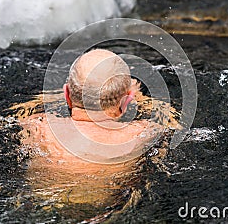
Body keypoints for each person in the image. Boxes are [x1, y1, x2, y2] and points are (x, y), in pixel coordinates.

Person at [16, 49, 155, 212]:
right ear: (126, 102)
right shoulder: (142, 133)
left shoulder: (38, 126)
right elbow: (170, 118)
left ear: (66, 95)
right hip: (105, 211)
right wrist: (133, 96)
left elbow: (21, 109)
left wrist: (65, 94)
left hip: (41, 207)